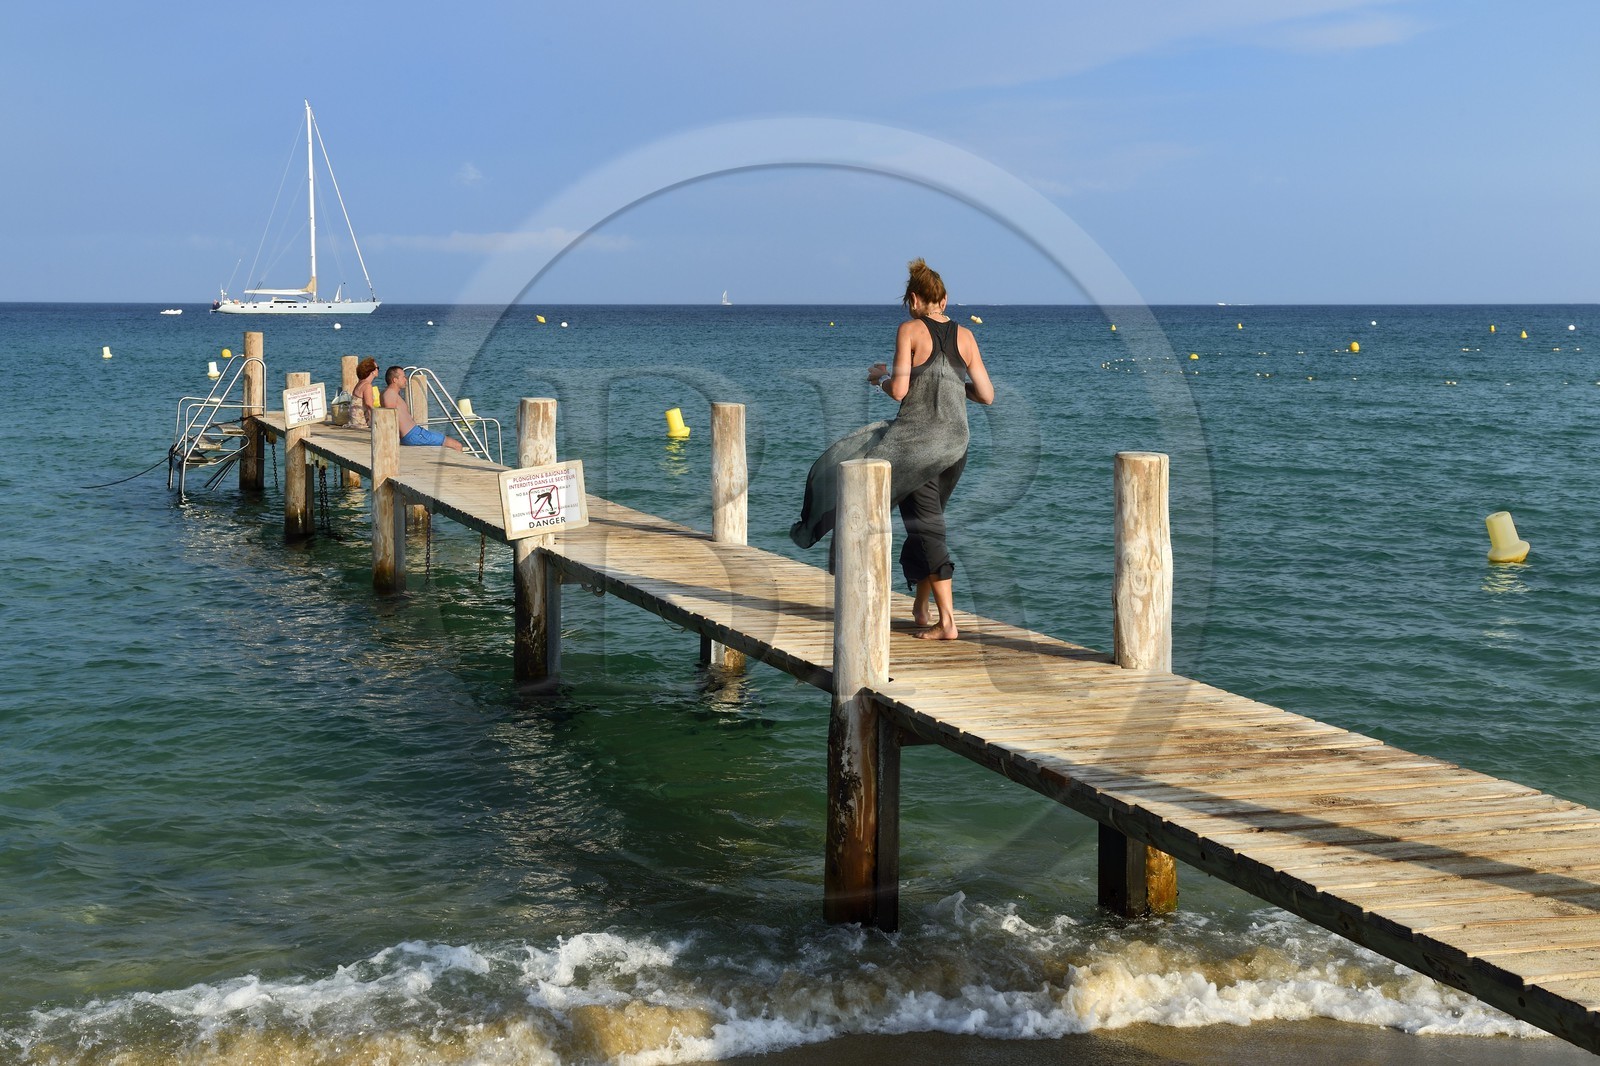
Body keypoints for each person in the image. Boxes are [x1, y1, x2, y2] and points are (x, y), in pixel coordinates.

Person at [791, 259, 994, 640]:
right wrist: (953, 386)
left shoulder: (910, 330)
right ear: (945, 300)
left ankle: (947, 622)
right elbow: (986, 394)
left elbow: (899, 391)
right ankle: (921, 608)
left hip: (917, 445)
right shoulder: (966, 336)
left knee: (928, 527)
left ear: (914, 299)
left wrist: (879, 378)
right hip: (955, 448)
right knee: (923, 523)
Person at [380, 366, 464, 450]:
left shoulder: (390, 393)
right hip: (414, 435)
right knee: (457, 445)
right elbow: (389, 419)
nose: (406, 379)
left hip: (414, 433)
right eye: (403, 377)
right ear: (395, 380)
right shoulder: (390, 394)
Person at [350, 357, 380, 429]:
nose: (378, 370)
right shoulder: (367, 386)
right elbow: (369, 406)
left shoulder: (360, 383)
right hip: (361, 422)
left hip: (355, 420)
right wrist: (374, 423)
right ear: (372, 371)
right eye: (377, 368)